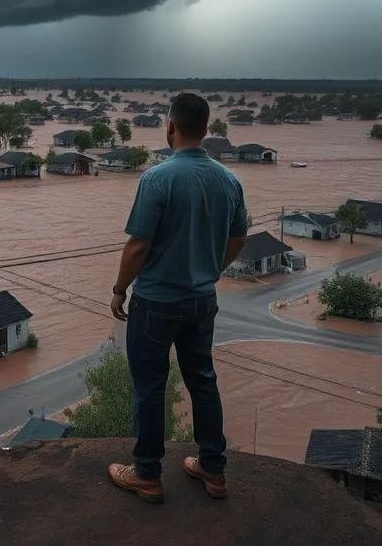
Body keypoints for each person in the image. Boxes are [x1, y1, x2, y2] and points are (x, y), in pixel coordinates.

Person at [106, 92, 248, 504]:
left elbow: (137, 246)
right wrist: (211, 269)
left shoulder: (158, 178)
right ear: (206, 130)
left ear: (170, 127)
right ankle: (213, 468)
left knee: (149, 387)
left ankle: (147, 474)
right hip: (202, 301)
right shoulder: (229, 180)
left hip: (155, 304)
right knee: (203, 381)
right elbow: (238, 238)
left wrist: (119, 290)